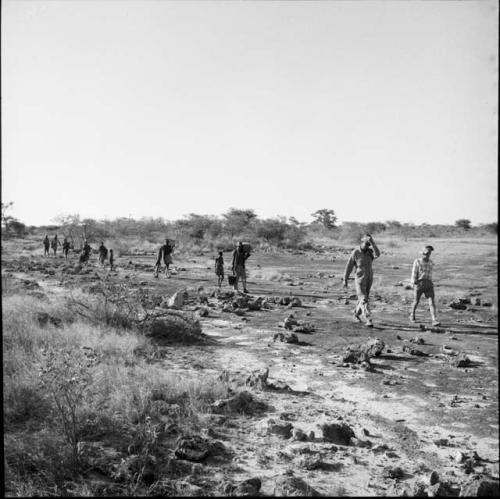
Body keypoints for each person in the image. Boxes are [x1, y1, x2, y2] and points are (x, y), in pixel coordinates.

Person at [343, 234, 380, 327]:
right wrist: (345, 279)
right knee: (364, 298)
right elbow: (349, 266)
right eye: (366, 243)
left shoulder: (370, 252)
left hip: (369, 278)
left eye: (369, 244)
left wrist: (373, 243)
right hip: (359, 278)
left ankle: (356, 314)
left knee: (363, 298)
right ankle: (368, 318)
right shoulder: (355, 252)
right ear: (362, 242)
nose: (368, 245)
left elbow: (378, 254)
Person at [410, 245, 441, 327]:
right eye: (426, 253)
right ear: (422, 253)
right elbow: (414, 273)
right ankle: (412, 315)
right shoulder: (417, 261)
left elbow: (430, 273)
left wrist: (431, 282)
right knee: (416, 301)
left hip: (429, 284)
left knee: (432, 302)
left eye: (429, 253)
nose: (427, 255)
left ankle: (434, 320)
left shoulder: (431, 262)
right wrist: (414, 283)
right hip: (419, 284)